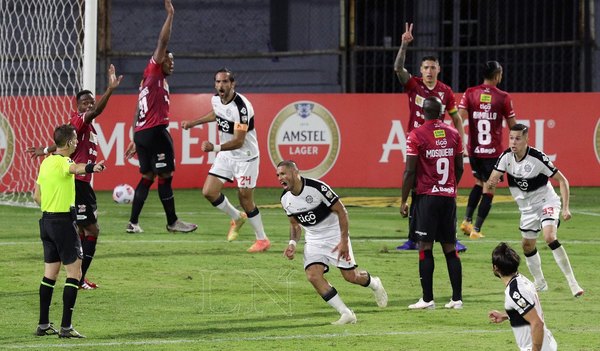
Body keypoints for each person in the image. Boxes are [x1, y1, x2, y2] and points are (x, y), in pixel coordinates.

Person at [27, 65, 123, 290]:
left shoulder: (83, 128)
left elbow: (63, 140)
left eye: (91, 101)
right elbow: (95, 113)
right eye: (85, 102)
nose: (89, 105)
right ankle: (79, 278)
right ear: (77, 106)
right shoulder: (81, 119)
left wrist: (45, 149)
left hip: (81, 183)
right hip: (79, 181)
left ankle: (77, 277)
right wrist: (109, 90)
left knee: (82, 230)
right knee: (92, 231)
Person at [277, 160, 388, 324]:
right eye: (278, 175)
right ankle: (346, 313)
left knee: (351, 276)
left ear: (294, 172)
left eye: (283, 173)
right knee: (313, 275)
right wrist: (292, 243)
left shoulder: (317, 188)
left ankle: (375, 283)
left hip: (335, 236)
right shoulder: (285, 199)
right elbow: (294, 224)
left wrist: (344, 240)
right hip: (314, 240)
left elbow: (341, 211)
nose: (280, 178)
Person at [124, 0, 197, 234]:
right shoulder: (154, 71)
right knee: (165, 175)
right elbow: (162, 42)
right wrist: (170, 16)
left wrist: (136, 137)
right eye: (169, 59)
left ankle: (133, 223)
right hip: (156, 132)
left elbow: (137, 109)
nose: (172, 63)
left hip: (144, 132)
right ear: (160, 60)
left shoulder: (151, 83)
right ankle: (173, 221)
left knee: (147, 176)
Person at [394, 22, 466, 252]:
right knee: (417, 188)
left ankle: (449, 237)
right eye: (425, 67)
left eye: (432, 67)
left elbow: (455, 118)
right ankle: (413, 238)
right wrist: (404, 46)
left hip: (438, 145)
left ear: (438, 69)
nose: (428, 71)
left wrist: (461, 141)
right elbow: (398, 69)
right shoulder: (414, 85)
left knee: (444, 188)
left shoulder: (446, 92)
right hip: (417, 143)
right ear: (421, 69)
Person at [487, 124, 584, 297]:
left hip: (546, 202)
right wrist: (493, 180)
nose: (513, 142)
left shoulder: (537, 158)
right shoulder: (506, 157)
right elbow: (491, 180)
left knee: (549, 236)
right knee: (526, 245)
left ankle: (572, 282)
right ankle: (540, 282)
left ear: (526, 140)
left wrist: (566, 208)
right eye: (511, 138)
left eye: (517, 138)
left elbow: (563, 180)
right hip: (527, 209)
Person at [181, 68, 270, 252]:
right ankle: (237, 217)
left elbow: (239, 141)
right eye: (218, 82)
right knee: (209, 191)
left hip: (246, 158)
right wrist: (194, 123)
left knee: (245, 198)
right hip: (227, 155)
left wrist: (214, 147)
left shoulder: (242, 107)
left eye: (225, 82)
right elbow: (217, 113)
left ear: (232, 84)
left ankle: (262, 240)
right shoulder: (216, 99)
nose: (221, 85)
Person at [34, 124, 106, 338]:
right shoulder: (66, 161)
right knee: (75, 273)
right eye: (75, 139)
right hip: (63, 223)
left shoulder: (45, 163)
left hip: (46, 221)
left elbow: (36, 196)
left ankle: (43, 324)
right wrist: (94, 167)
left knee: (50, 274)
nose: (77, 142)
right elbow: (76, 169)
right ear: (67, 143)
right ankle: (66, 327)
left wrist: (52, 204)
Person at [400, 96, 464, 310]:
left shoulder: (416, 135)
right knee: (450, 248)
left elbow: (410, 171)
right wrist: (449, 188)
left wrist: (403, 200)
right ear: (441, 113)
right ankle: (457, 299)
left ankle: (427, 299)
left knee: (425, 247)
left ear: (422, 112)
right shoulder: (454, 134)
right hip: (448, 198)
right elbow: (460, 168)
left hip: (427, 198)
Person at [459, 61, 516, 240]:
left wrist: (462, 143)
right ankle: (476, 229)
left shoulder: (470, 93)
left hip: (474, 151)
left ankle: (467, 221)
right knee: (489, 189)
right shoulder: (503, 97)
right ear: (497, 75)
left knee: (478, 183)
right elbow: (513, 126)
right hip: (493, 154)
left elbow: (458, 119)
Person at [488, 242, 557, 351]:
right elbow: (529, 310)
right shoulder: (523, 280)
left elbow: (537, 323)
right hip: (545, 343)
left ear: (495, 268)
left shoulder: (514, 292)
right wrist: (506, 315)